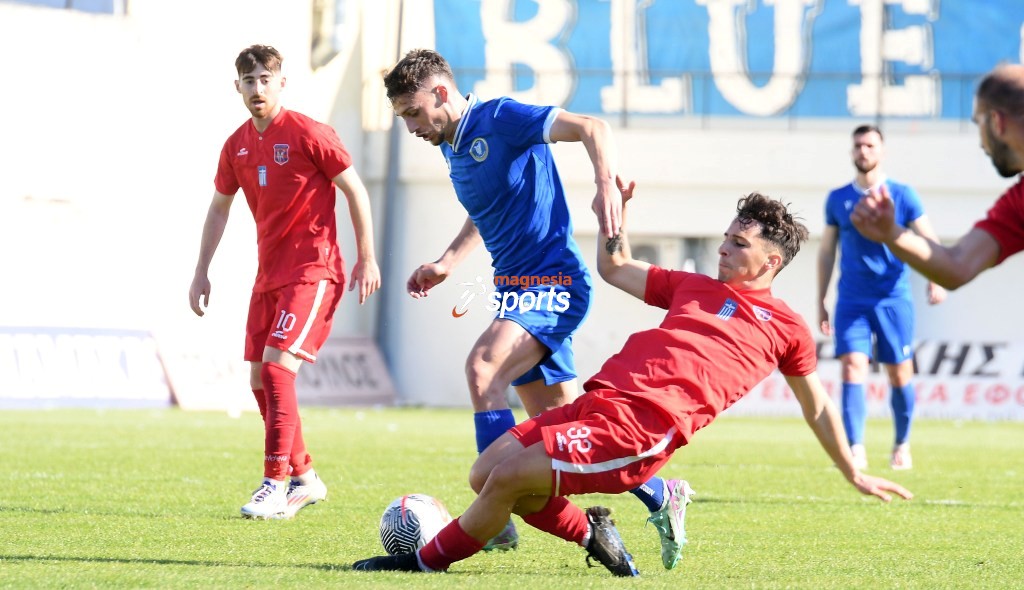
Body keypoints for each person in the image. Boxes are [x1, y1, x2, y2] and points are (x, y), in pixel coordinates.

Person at [352, 185, 912, 576]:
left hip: (641, 429)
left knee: (506, 481)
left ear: (770, 262)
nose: (723, 247)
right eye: (725, 237)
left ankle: (421, 563)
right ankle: (595, 534)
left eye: (739, 244)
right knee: (484, 475)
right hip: (598, 400)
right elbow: (615, 268)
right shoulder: (694, 286)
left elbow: (817, 407)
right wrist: (611, 213)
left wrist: (853, 471)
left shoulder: (786, 328)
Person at [381, 49, 689, 565]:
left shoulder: (500, 118)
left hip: (553, 282)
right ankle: (657, 497)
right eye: (402, 117)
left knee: (483, 368)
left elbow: (592, 127)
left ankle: (493, 517)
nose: (411, 126)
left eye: (413, 112)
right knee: (566, 433)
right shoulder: (450, 144)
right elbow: (486, 209)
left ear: (441, 93)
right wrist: (447, 262)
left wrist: (606, 188)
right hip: (516, 290)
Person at [188, 44, 381, 520]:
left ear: (281, 83)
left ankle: (274, 484)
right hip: (268, 276)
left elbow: (355, 190)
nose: (257, 88)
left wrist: (367, 258)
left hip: (314, 270)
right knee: (259, 379)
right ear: (237, 87)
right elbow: (219, 208)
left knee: (277, 372)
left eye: (265, 79)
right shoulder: (235, 145)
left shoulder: (309, 133)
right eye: (249, 81)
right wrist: (201, 270)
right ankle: (305, 479)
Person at [817, 125, 946, 472]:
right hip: (851, 300)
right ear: (852, 151)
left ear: (882, 151)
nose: (864, 151)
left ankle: (902, 444)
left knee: (899, 374)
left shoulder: (902, 195)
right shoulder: (838, 198)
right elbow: (827, 251)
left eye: (870, 145)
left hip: (893, 298)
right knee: (852, 365)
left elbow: (928, 239)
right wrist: (821, 299)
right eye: (858, 145)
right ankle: (855, 448)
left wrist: (937, 277)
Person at [852, 64, 1024, 290]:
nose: (981, 144)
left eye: (978, 122)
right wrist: (891, 233)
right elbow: (957, 266)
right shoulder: (1018, 202)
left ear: (996, 121)